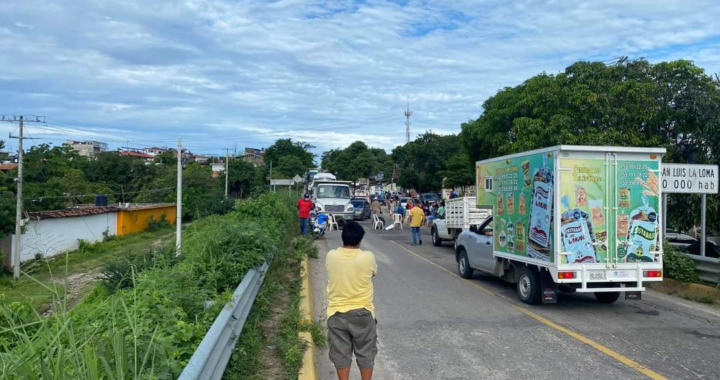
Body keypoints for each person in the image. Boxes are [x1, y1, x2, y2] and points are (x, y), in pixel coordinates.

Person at [326, 221, 378, 380]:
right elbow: (373, 273)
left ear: (343, 238)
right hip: (362, 313)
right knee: (366, 353)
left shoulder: (331, 255)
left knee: (340, 354)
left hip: (336, 314)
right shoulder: (367, 257)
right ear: (360, 240)